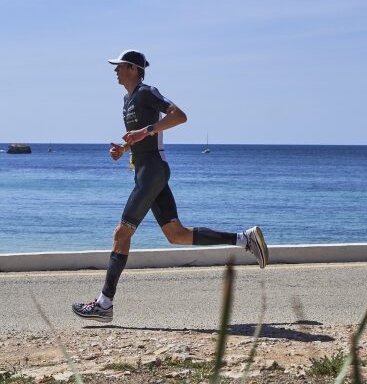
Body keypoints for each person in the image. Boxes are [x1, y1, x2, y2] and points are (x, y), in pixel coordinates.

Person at [71, 50, 269, 323]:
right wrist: (125, 148)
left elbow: (179, 115)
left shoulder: (146, 92)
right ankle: (245, 239)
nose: (115, 70)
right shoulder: (128, 99)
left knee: (121, 233)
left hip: (152, 172)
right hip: (146, 172)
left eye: (119, 66)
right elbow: (144, 136)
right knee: (176, 234)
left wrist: (145, 130)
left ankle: (105, 303)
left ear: (133, 68)